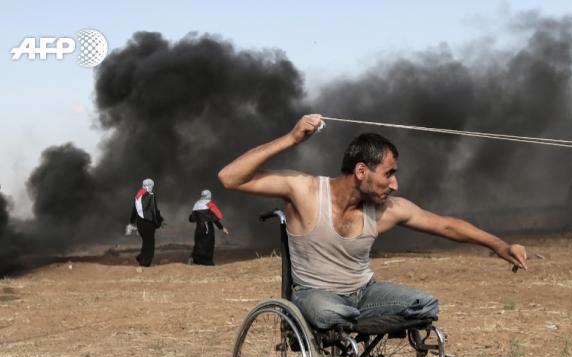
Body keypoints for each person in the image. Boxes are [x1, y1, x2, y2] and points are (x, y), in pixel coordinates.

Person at [217, 114, 528, 330]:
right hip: (315, 295)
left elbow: (446, 225)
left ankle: (356, 320)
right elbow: (229, 178)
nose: (395, 185)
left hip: (365, 295)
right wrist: (291, 138)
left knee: (426, 305)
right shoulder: (305, 190)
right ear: (362, 171)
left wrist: (499, 245)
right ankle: (355, 320)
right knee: (329, 312)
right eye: (389, 174)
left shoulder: (385, 209)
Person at [128, 178, 164, 267]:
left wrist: (132, 221)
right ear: (151, 185)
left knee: (146, 241)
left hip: (140, 223)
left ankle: (141, 257)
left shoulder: (138, 195)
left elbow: (134, 210)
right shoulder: (151, 195)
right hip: (148, 223)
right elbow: (154, 210)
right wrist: (158, 222)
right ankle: (145, 262)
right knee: (150, 243)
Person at [188, 189, 228, 265]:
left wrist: (197, 216)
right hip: (208, 229)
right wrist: (222, 228)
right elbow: (215, 219)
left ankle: (196, 260)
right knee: (208, 245)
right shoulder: (209, 205)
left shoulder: (197, 204)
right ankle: (207, 262)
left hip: (199, 228)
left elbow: (191, 219)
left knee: (199, 244)